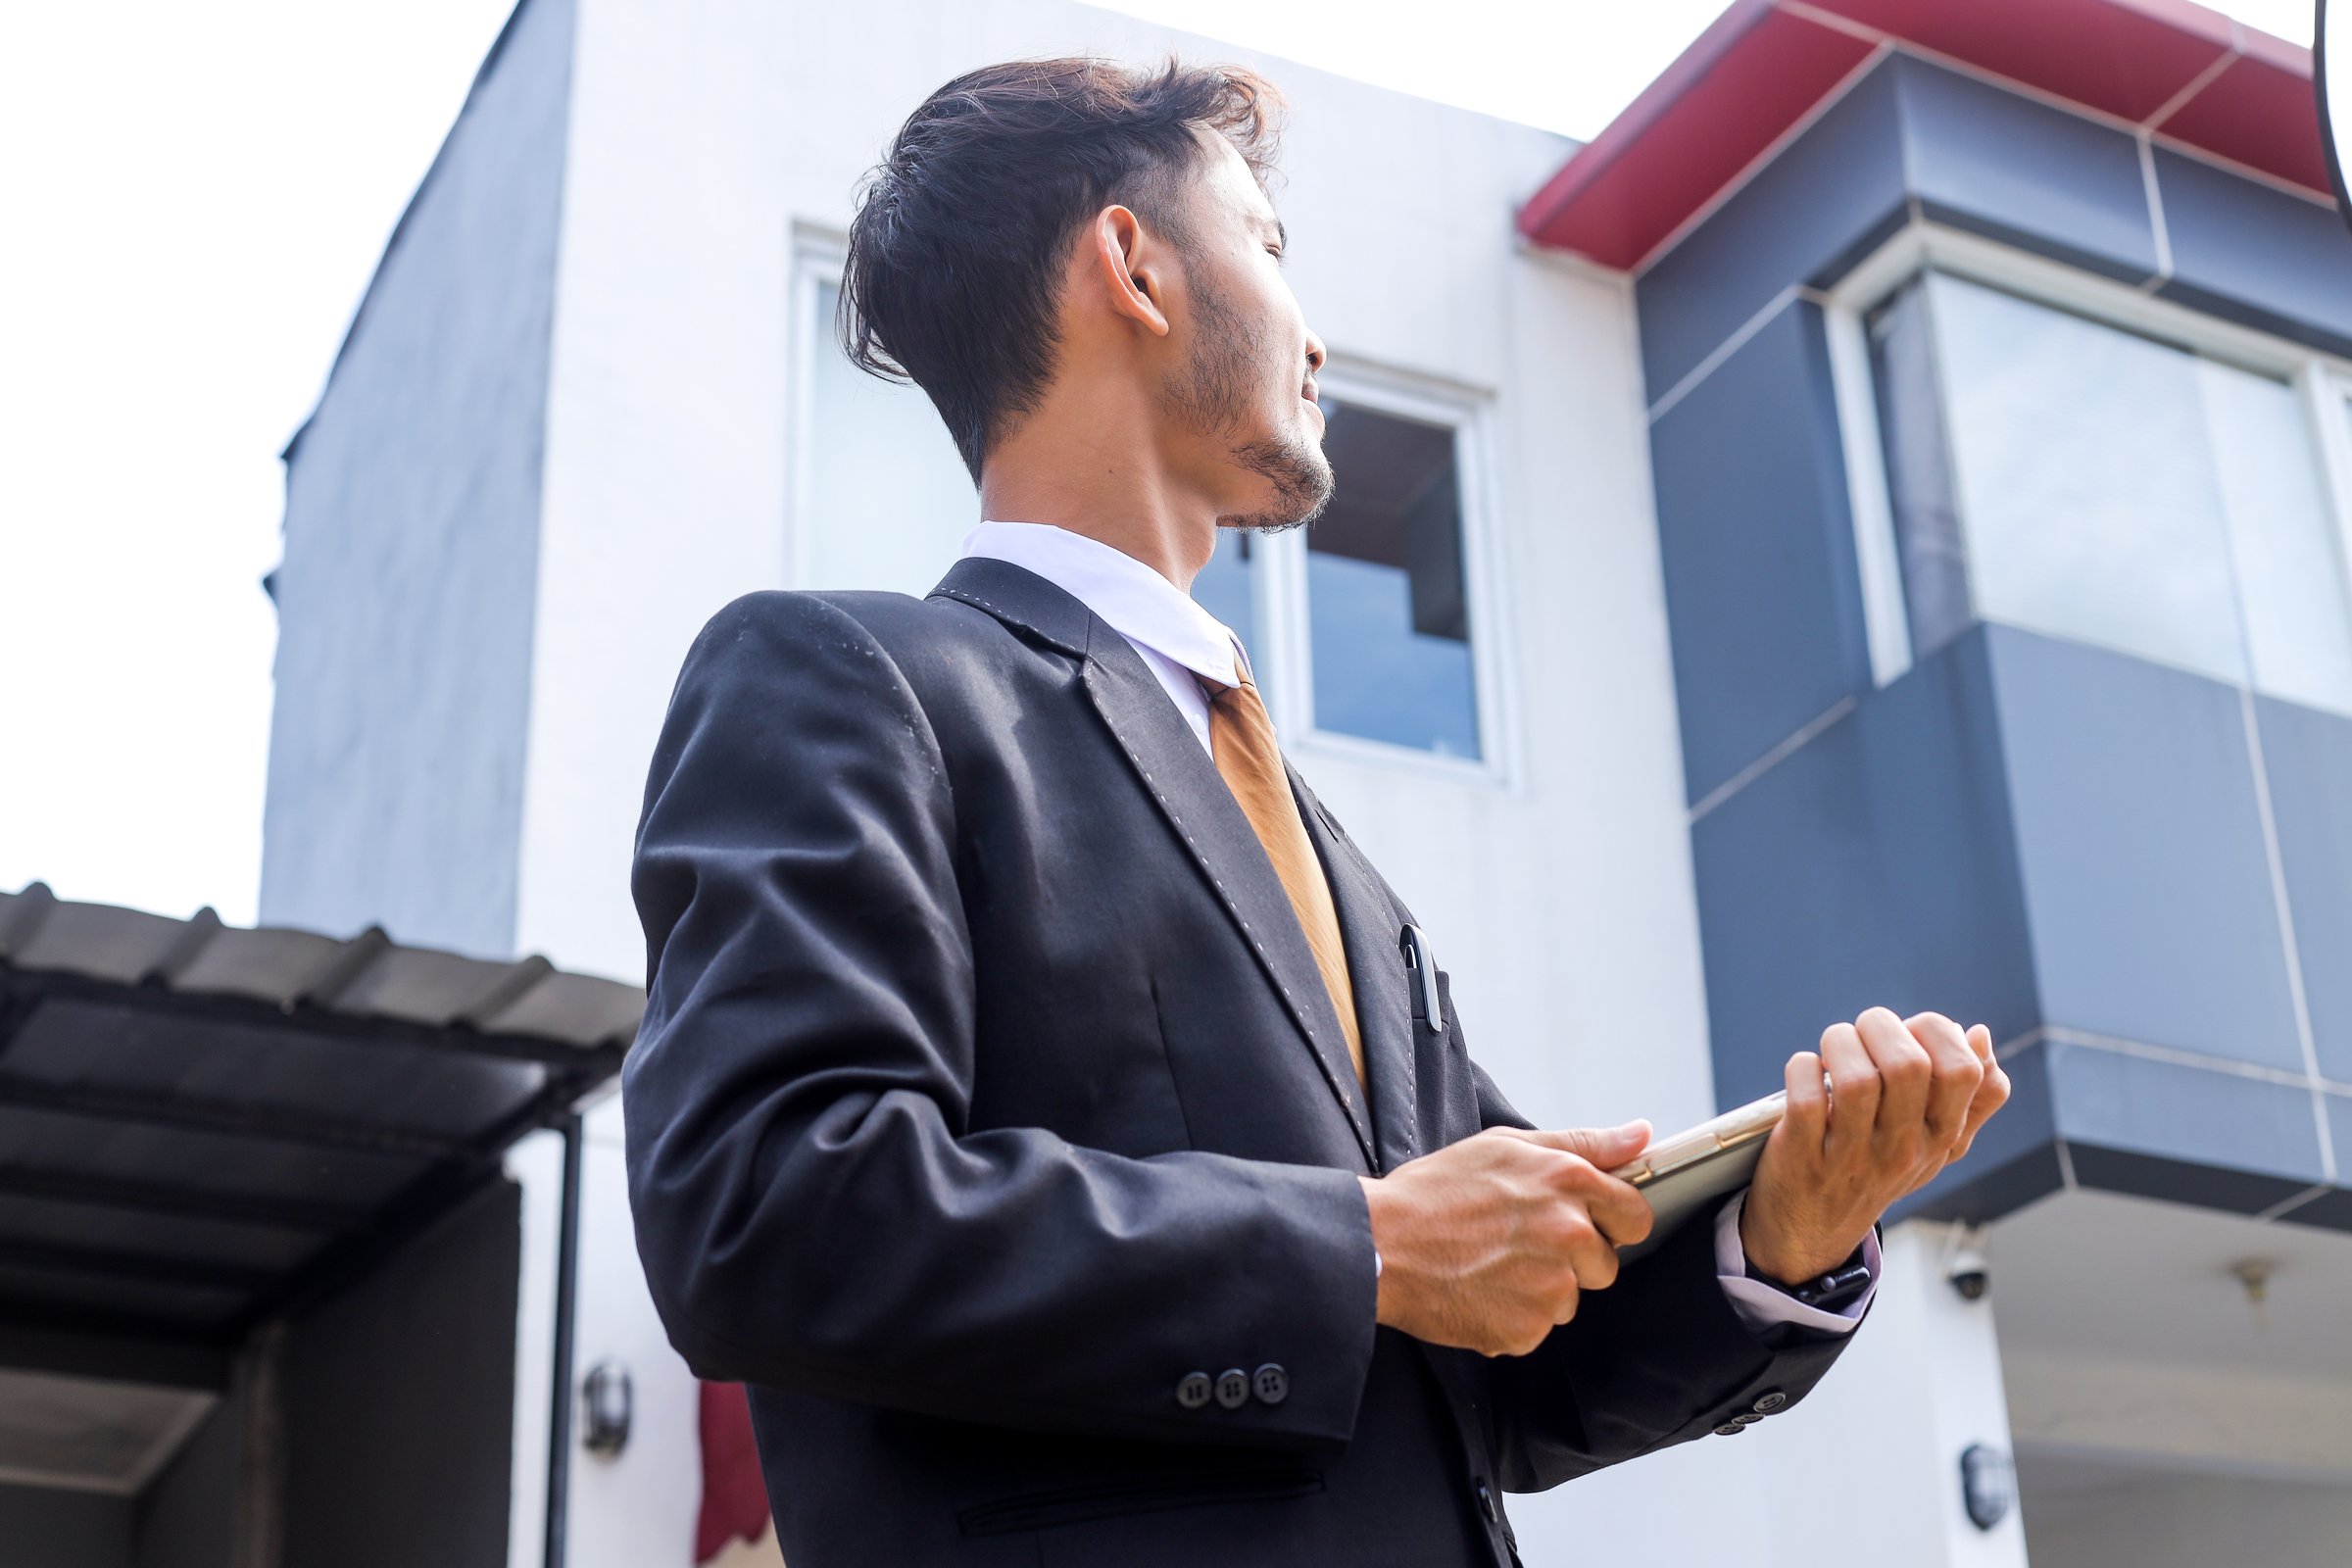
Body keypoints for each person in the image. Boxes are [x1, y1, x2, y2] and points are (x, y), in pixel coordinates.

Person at [623, 58, 2011, 1567]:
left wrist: (1786, 1229)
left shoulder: (1324, 854)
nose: (1315, 333)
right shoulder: (848, 678)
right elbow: (762, 1205)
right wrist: (1366, 1246)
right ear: (1132, 265)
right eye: (1269, 245)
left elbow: (1499, 1351)